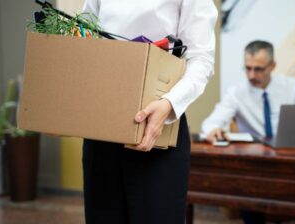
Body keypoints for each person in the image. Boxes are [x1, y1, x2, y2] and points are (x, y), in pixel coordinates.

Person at [81, 0, 217, 224]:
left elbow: (201, 59)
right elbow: (86, 36)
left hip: (160, 129)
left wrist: (168, 103)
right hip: (102, 128)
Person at [202, 40, 295, 224]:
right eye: (247, 68)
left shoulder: (291, 86)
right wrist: (213, 130)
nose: (251, 75)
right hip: (258, 166)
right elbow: (210, 123)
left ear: (272, 66)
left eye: (258, 69)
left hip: (291, 159)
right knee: (248, 189)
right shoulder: (236, 92)